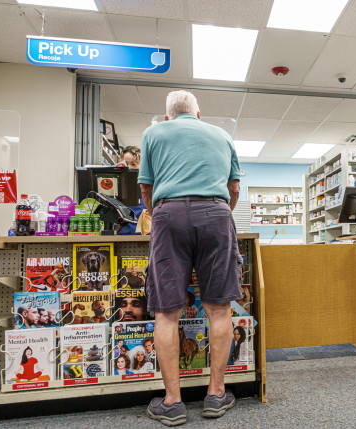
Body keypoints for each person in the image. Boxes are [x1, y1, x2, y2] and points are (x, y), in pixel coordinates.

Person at [141, 90, 242, 426]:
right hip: (216, 212)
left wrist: (159, 214)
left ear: (168, 116)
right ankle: (215, 394)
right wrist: (218, 215)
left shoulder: (153, 133)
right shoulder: (223, 135)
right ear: (198, 115)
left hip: (168, 214)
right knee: (220, 308)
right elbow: (235, 188)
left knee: (167, 312)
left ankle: (173, 402)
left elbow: (145, 187)